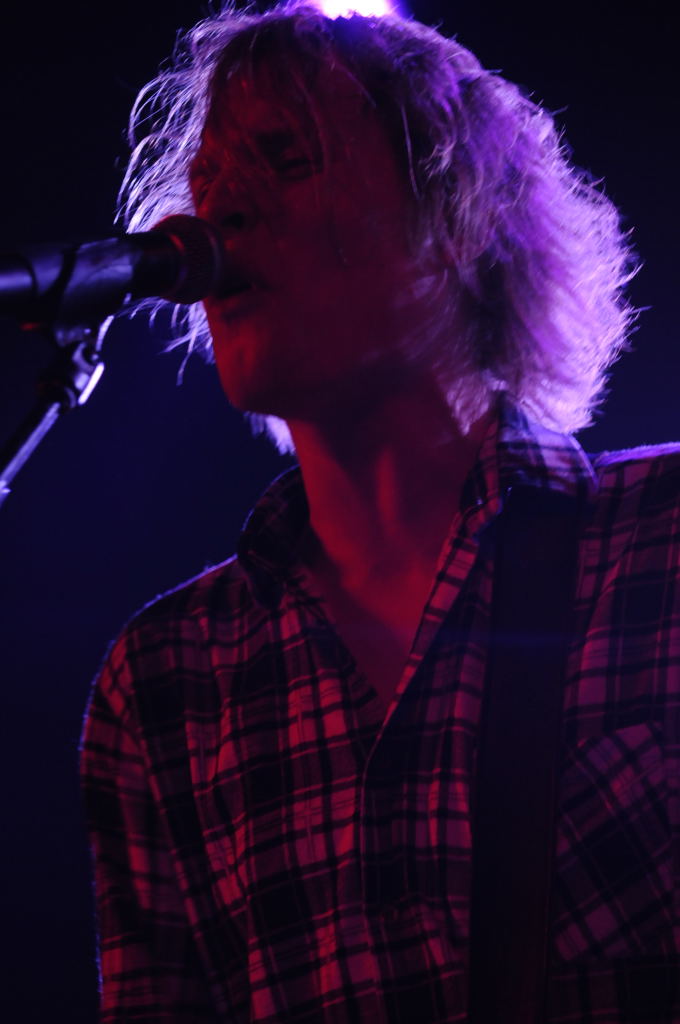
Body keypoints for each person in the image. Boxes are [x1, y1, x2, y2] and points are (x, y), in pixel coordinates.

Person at [80, 2, 680, 1022]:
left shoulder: (658, 545)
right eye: (209, 186)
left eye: (287, 160)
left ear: (456, 221)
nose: (217, 220)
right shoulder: (166, 684)